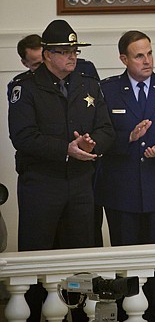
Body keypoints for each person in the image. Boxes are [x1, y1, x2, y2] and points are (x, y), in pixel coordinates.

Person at [7, 19, 115, 321]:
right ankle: (34, 315)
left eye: (75, 50)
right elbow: (23, 137)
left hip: (81, 184)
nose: (72, 56)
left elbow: (107, 129)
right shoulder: (24, 88)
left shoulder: (89, 84)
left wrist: (91, 146)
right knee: (38, 259)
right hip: (42, 184)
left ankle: (81, 316)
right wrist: (65, 149)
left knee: (80, 258)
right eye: (65, 51)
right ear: (46, 54)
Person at [95, 30, 155, 322]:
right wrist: (129, 138)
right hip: (120, 187)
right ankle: (125, 315)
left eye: (149, 53)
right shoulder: (107, 90)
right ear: (123, 59)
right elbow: (100, 136)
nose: (147, 61)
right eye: (139, 56)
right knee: (124, 258)